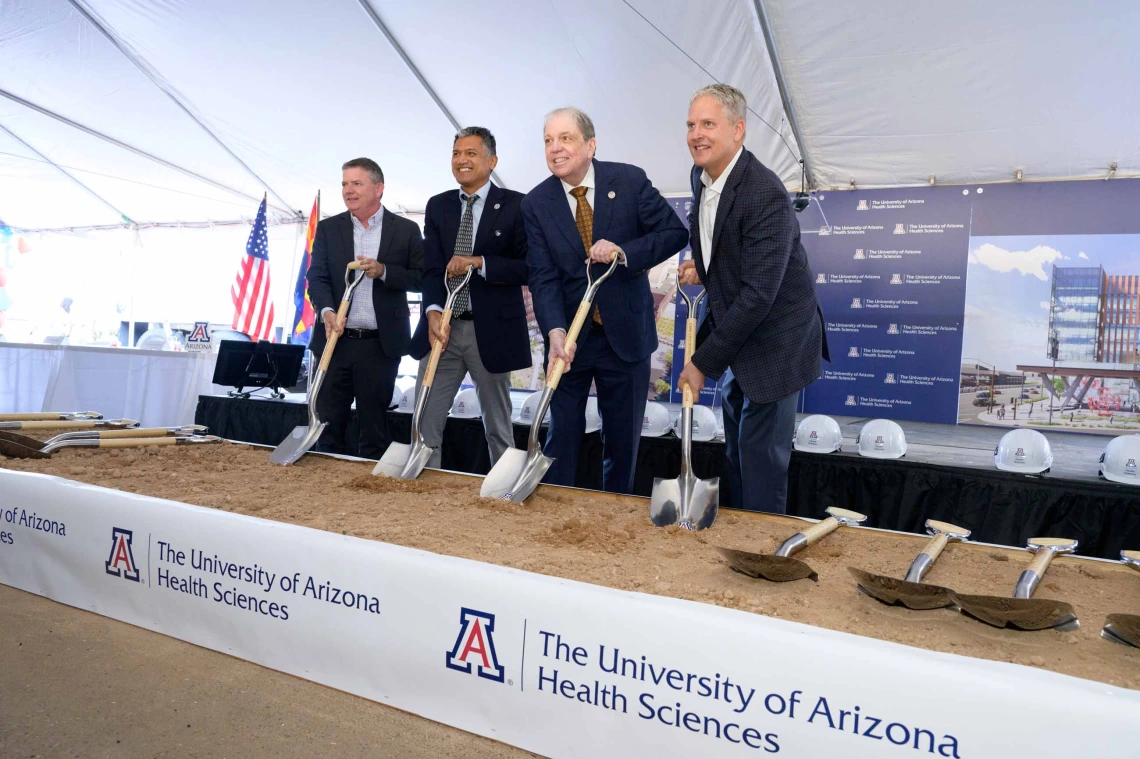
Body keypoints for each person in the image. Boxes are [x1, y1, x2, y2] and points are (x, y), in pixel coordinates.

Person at [678, 84, 828, 514]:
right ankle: (743, 529)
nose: (696, 134)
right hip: (741, 333)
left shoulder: (765, 194)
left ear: (738, 130)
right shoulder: (702, 175)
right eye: (691, 125)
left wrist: (703, 362)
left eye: (709, 124)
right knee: (738, 454)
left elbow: (760, 294)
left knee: (761, 459)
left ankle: (764, 548)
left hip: (777, 342)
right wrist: (704, 268)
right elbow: (722, 240)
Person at [523, 107, 687, 494]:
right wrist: (556, 331)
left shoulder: (628, 180)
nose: (555, 148)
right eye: (548, 140)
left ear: (590, 145)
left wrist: (624, 252)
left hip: (625, 337)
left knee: (622, 440)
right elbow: (543, 277)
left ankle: (614, 518)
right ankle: (556, 516)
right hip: (570, 341)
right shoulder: (536, 203)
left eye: (565, 138)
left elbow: (673, 233)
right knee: (561, 436)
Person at [408, 127, 531, 468]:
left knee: (498, 426)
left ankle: (503, 490)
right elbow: (431, 268)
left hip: (490, 333)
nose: (462, 160)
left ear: (492, 161)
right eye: (456, 153)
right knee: (424, 422)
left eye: (471, 153)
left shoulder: (517, 205)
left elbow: (529, 267)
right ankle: (422, 493)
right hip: (441, 330)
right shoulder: (438, 206)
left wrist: (481, 263)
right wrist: (432, 311)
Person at [307, 157, 424, 457]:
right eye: (344, 184)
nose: (348, 190)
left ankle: (366, 499)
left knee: (374, 430)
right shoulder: (328, 229)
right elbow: (316, 278)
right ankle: (325, 494)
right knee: (328, 426)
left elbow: (423, 278)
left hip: (380, 347)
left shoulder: (406, 230)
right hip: (335, 342)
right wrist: (326, 312)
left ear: (378, 188)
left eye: (357, 183)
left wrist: (385, 271)